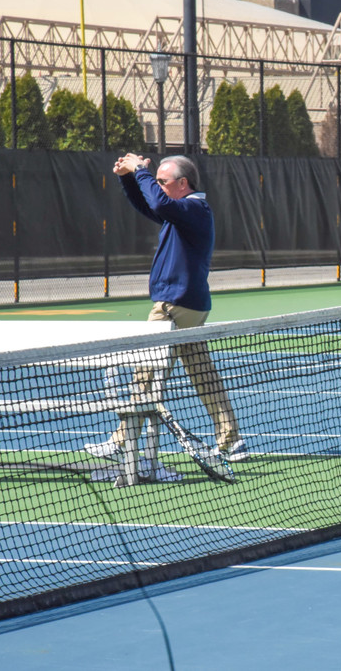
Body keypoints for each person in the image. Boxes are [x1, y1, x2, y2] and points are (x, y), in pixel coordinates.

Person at [84, 154, 248, 463]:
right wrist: (127, 178)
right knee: (202, 372)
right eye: (157, 181)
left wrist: (142, 171)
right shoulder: (181, 212)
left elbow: (158, 204)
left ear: (183, 184)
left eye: (163, 181)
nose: (157, 186)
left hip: (175, 305)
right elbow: (149, 205)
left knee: (144, 375)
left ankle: (121, 442)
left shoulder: (193, 209)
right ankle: (232, 440)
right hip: (185, 303)